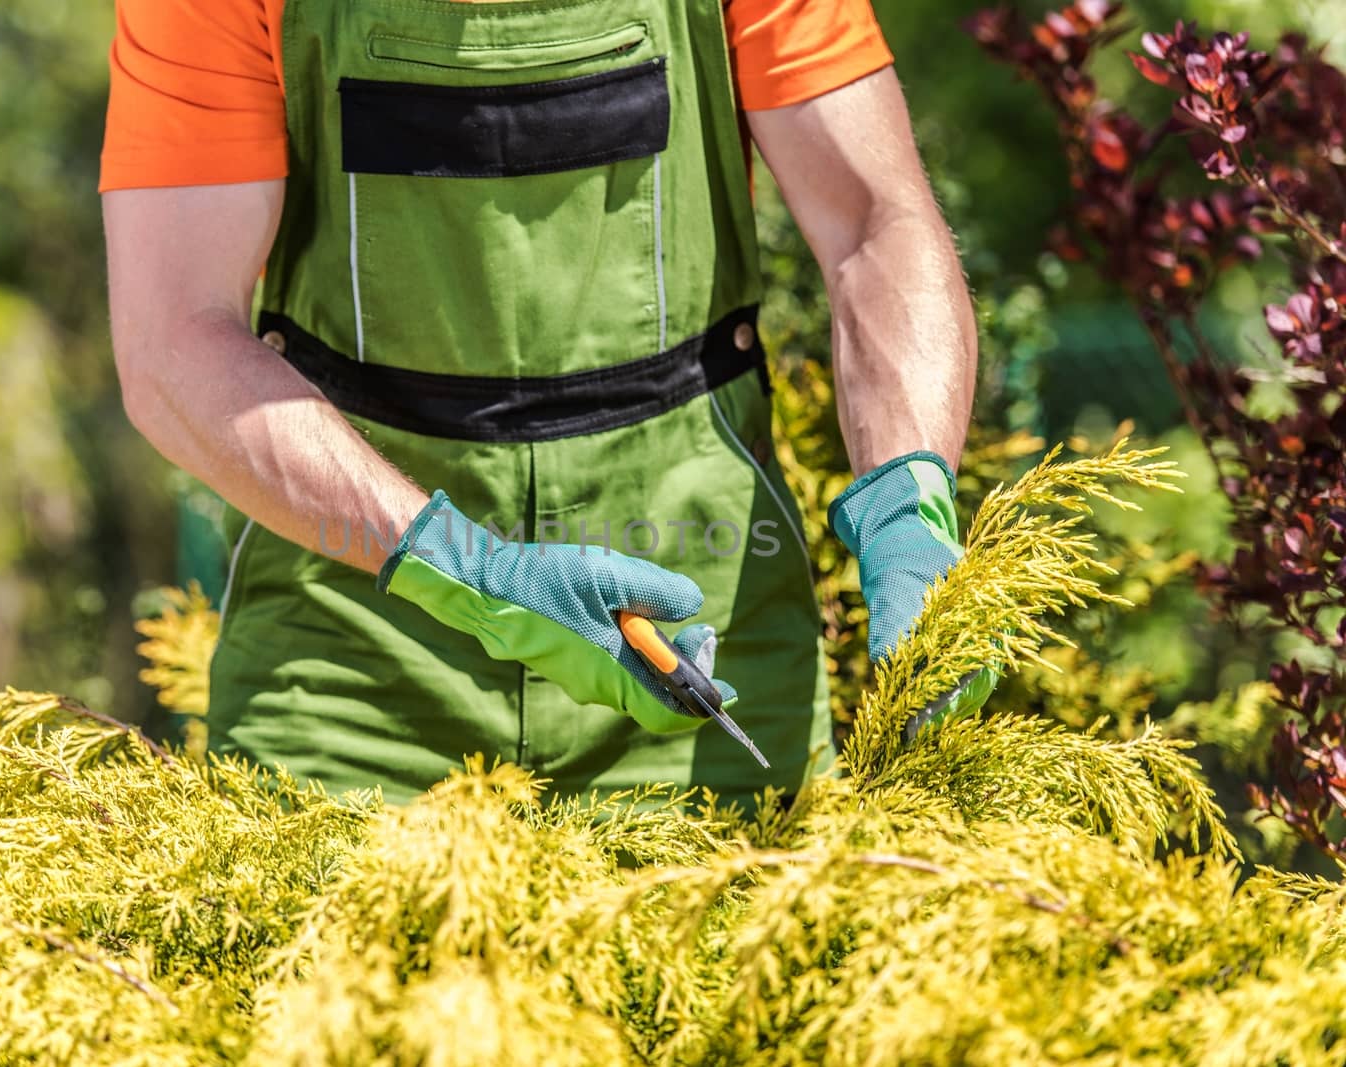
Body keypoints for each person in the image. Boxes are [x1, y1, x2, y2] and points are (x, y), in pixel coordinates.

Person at [100, 0, 993, 808]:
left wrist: (909, 511)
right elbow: (173, 342)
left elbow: (875, 228)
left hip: (700, 654)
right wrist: (473, 571)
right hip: (349, 676)